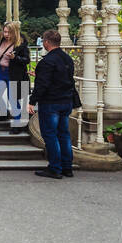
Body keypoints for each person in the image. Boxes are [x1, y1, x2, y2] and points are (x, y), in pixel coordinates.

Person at [28, 29, 78, 179]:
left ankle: (55, 167)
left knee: (50, 135)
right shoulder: (67, 59)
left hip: (51, 102)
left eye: (43, 40)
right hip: (66, 100)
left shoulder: (47, 61)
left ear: (47, 42)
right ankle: (67, 167)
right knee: (64, 134)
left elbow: (42, 85)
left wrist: (32, 101)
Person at [0, 20, 30, 135]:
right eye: (5, 31)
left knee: (12, 98)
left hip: (13, 74)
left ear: (14, 32)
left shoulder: (21, 43)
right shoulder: (0, 39)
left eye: (8, 32)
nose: (6, 34)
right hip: (0, 72)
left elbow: (27, 60)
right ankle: (4, 113)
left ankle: (17, 124)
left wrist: (14, 58)